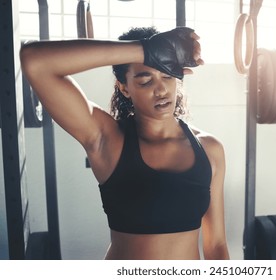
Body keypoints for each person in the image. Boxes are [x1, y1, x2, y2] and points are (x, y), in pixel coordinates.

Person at [20, 26, 230, 260]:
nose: (161, 89)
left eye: (167, 76)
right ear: (124, 87)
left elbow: (216, 245)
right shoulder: (107, 140)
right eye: (145, 81)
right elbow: (34, 62)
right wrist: (146, 50)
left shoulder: (210, 150)